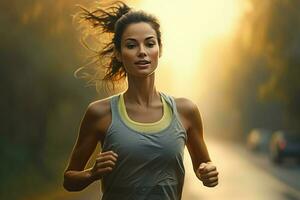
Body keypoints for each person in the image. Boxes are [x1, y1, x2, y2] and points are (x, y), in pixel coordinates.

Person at [63, 1, 219, 199]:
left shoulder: (185, 111)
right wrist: (92, 173)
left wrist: (208, 172)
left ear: (159, 50)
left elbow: (204, 166)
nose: (142, 51)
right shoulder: (100, 113)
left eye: (150, 43)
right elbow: (69, 181)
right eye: (131, 45)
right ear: (119, 54)